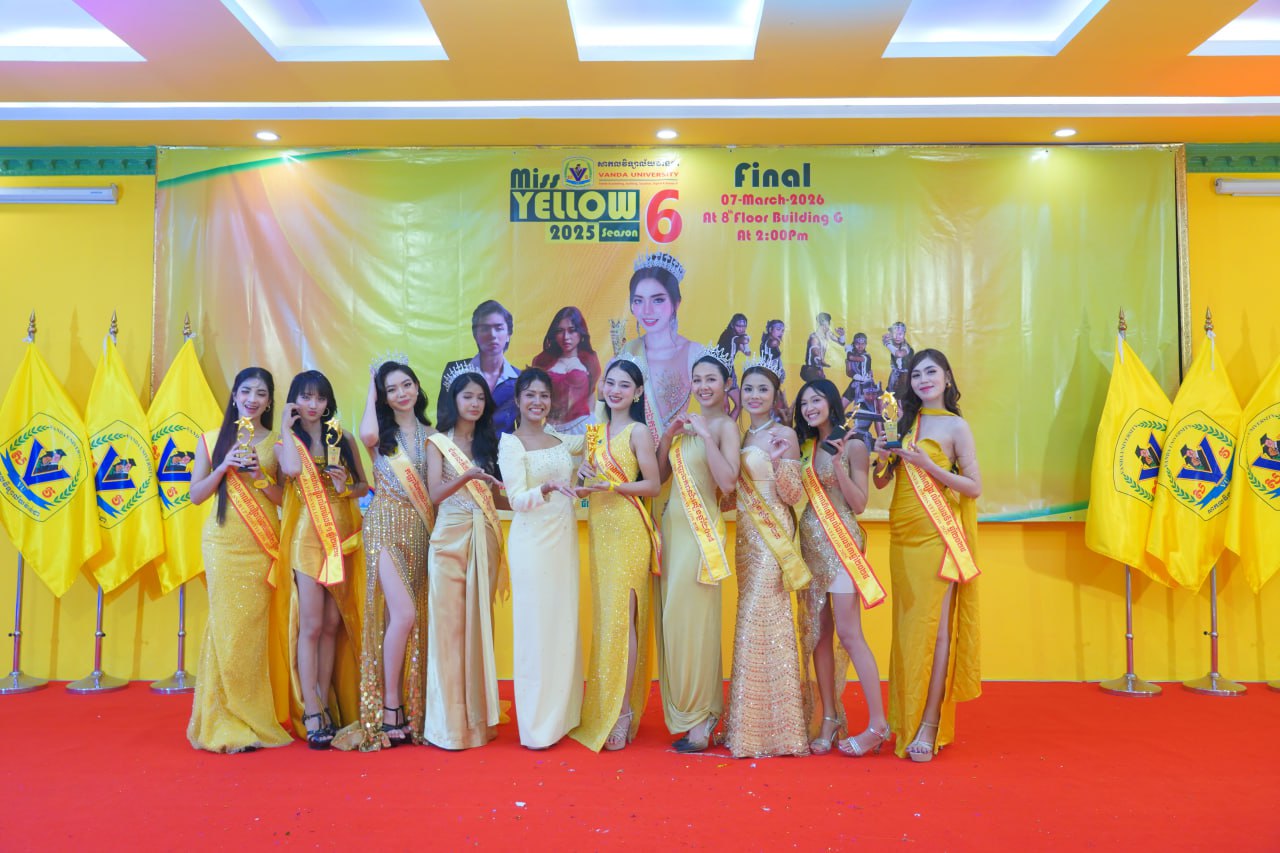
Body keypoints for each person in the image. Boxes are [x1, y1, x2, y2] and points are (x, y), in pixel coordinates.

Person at [873, 349, 981, 762]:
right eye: (916, 374)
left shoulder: (956, 426)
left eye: (931, 372)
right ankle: (906, 717)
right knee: (907, 629)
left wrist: (928, 465)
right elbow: (882, 483)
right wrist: (883, 458)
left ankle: (930, 722)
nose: (923, 379)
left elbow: (973, 487)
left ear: (947, 378)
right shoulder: (903, 421)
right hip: (902, 536)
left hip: (938, 537)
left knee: (935, 631)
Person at [187, 367, 292, 753]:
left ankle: (252, 715)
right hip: (222, 543)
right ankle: (223, 721)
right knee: (225, 627)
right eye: (246, 391)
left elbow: (286, 500)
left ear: (269, 401)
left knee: (252, 632)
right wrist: (223, 467)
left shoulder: (278, 442)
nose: (252, 399)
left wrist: (261, 477)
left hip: (262, 545)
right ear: (234, 395)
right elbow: (196, 495)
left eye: (261, 393)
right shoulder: (211, 439)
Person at [334, 359, 436, 750]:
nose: (401, 393)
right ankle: (391, 704)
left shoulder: (432, 435)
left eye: (406, 385)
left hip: (420, 529)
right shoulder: (380, 436)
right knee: (403, 615)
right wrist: (372, 387)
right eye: (392, 389)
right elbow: (367, 432)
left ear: (417, 387)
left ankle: (411, 702)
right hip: (384, 527)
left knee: (407, 618)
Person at [569, 356, 661, 752]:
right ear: (602, 387)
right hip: (601, 529)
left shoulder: (639, 432)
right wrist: (583, 482)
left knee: (625, 620)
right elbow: (584, 495)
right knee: (608, 620)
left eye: (625, 385)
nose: (616, 390)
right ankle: (606, 705)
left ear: (638, 392)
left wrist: (613, 486)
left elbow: (653, 485)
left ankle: (622, 711)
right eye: (611, 383)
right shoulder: (594, 434)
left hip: (629, 528)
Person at [794, 378, 890, 758]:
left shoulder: (853, 445)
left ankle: (878, 724)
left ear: (832, 402)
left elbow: (860, 503)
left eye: (816, 400)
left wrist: (838, 464)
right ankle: (829, 718)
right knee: (819, 635)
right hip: (810, 548)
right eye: (804, 403)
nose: (809, 407)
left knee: (850, 635)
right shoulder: (805, 448)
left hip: (841, 547)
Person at [275, 370, 369, 750]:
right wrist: (285, 427)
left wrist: (346, 487)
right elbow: (292, 471)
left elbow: (363, 486)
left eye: (320, 397)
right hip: (308, 538)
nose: (313, 405)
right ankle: (311, 710)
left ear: (328, 401)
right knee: (311, 625)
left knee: (332, 624)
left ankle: (326, 704)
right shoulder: (288, 442)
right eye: (305, 397)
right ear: (294, 401)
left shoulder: (342, 438)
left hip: (343, 535)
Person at [721, 358, 810, 758]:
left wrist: (777, 460)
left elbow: (793, 495)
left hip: (773, 539)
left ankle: (780, 731)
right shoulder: (741, 434)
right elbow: (732, 494)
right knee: (750, 620)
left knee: (766, 618)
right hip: (746, 538)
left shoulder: (783, 434)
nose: (755, 395)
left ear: (775, 396)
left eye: (763, 389)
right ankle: (749, 727)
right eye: (749, 388)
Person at [654, 347, 741, 753]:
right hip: (674, 534)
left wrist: (706, 437)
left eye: (711, 379)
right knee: (674, 619)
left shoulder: (724, 426)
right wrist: (668, 437)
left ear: (726, 385)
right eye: (698, 379)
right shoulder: (684, 424)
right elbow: (659, 478)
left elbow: (728, 483)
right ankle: (688, 712)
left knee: (696, 622)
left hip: (701, 535)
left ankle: (703, 715)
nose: (703, 386)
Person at [497, 368, 585, 749]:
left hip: (563, 540)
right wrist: (545, 488)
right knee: (535, 630)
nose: (537, 402)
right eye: (530, 395)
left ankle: (563, 717)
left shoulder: (561, 440)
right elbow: (516, 499)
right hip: (532, 544)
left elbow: (597, 438)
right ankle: (536, 726)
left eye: (544, 395)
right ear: (518, 400)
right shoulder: (511, 444)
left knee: (562, 624)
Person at [423, 368, 506, 749]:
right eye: (467, 396)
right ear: (453, 400)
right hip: (448, 538)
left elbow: (501, 494)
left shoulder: (491, 443)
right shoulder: (437, 442)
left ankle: (477, 722)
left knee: (478, 625)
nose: (474, 403)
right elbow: (435, 493)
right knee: (449, 629)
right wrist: (468, 475)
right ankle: (448, 725)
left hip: (483, 536)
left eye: (480, 398)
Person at [620, 252, 700, 444]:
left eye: (657, 300)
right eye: (638, 300)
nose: (647, 310)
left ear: (676, 303)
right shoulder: (628, 351)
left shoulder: (695, 352)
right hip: (633, 450)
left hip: (678, 452)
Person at [440, 300, 521, 435]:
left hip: (505, 447)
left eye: (499, 328)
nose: (492, 335)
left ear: (508, 334)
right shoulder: (456, 370)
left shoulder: (519, 378)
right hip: (463, 446)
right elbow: (444, 418)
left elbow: (523, 427)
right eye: (485, 329)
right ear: (475, 335)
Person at [530, 306, 601, 435]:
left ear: (581, 332)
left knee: (590, 450)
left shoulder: (590, 359)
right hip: (552, 430)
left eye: (572, 330)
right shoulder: (542, 361)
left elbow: (591, 395)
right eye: (560, 331)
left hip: (583, 428)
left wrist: (593, 434)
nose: (566, 337)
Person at [716, 313, 752, 419]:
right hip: (720, 371)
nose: (742, 329)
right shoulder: (728, 335)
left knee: (740, 403)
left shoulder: (737, 337)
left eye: (744, 326)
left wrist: (745, 347)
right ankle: (723, 428)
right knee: (725, 408)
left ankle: (729, 427)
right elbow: (743, 340)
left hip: (730, 372)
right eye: (739, 326)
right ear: (732, 325)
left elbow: (747, 353)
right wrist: (745, 339)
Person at [802, 313, 846, 383]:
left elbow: (841, 342)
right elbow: (815, 350)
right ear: (824, 323)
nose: (828, 325)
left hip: (819, 368)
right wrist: (820, 360)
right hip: (811, 369)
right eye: (828, 323)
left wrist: (842, 335)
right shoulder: (814, 337)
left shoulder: (828, 333)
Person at [882, 322, 914, 397]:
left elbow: (899, 354)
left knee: (902, 397)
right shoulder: (894, 343)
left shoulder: (905, 346)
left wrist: (887, 344)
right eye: (895, 334)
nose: (897, 337)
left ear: (904, 334)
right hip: (896, 373)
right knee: (888, 394)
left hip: (905, 377)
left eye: (900, 334)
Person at [844, 332, 876, 405]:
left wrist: (848, 350)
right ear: (854, 344)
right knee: (839, 406)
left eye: (862, 344)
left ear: (865, 344)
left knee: (861, 409)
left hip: (866, 386)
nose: (860, 346)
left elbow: (851, 357)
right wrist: (857, 377)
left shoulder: (866, 356)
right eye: (857, 343)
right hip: (855, 383)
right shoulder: (851, 356)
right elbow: (849, 372)